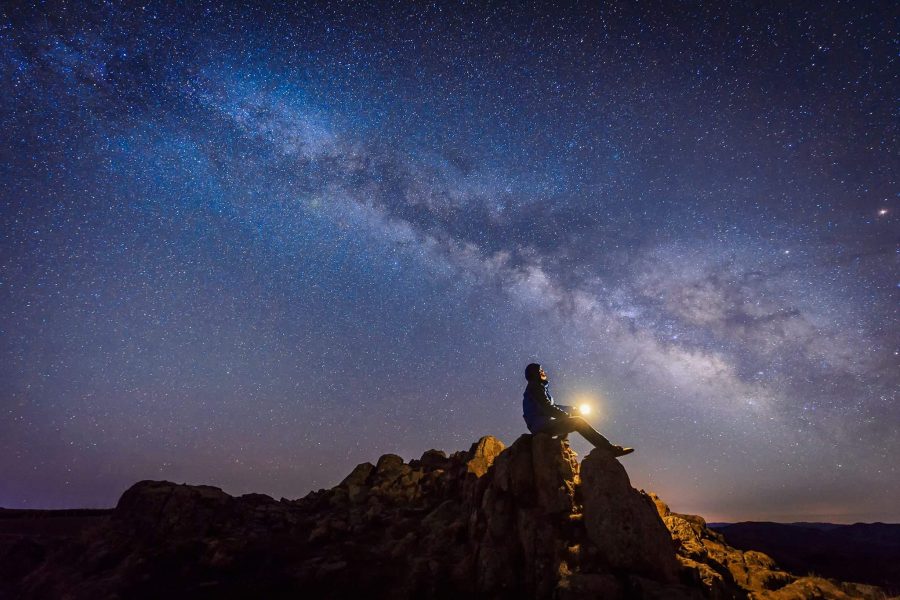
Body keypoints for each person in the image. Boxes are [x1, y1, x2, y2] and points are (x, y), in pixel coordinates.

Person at [522, 363, 634, 457]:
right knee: (578, 422)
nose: (543, 372)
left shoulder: (537, 387)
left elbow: (551, 405)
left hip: (540, 424)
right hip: (541, 425)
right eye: (540, 370)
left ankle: (562, 445)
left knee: (570, 419)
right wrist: (566, 416)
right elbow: (547, 408)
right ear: (535, 374)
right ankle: (609, 449)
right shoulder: (535, 387)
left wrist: (571, 409)